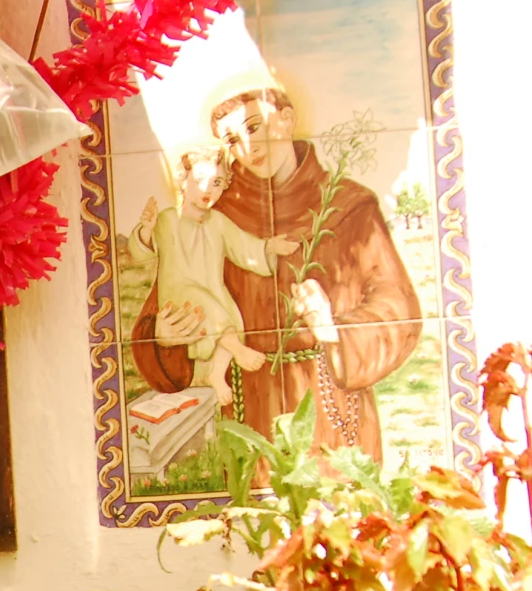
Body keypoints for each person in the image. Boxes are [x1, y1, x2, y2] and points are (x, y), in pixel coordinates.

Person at [132, 85, 422, 457]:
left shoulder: (348, 204)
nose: (246, 147)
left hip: (330, 407)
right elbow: (169, 297)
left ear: (286, 120)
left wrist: (334, 331)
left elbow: (399, 307)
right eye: (232, 139)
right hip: (247, 410)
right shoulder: (214, 217)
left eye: (254, 128)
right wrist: (162, 335)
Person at [135, 145, 302, 399]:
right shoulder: (169, 219)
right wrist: (146, 229)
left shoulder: (219, 223)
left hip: (212, 291)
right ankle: (240, 351)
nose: (207, 189)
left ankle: (217, 373)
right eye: (199, 180)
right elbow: (144, 251)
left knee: (231, 316)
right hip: (180, 293)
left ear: (224, 186)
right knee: (208, 309)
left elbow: (243, 247)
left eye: (216, 182)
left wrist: (269, 247)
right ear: (183, 181)